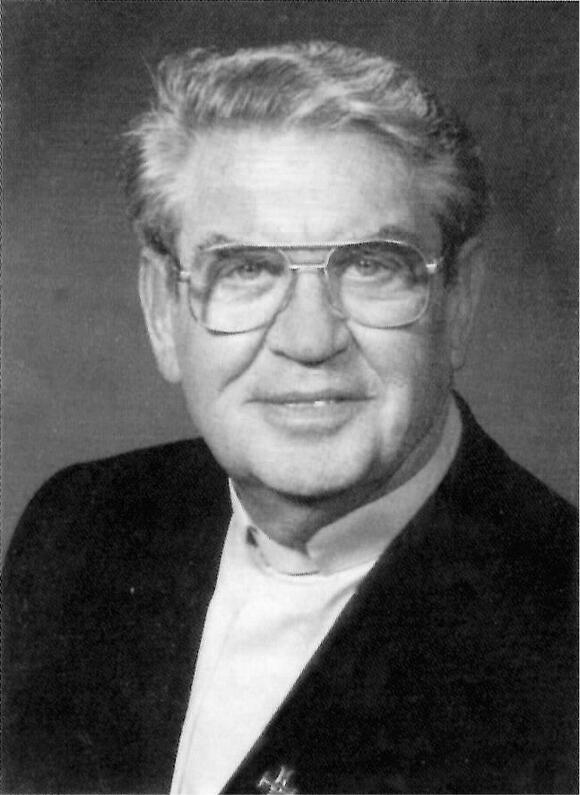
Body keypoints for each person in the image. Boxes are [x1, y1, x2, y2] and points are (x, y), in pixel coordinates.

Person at [2, 41, 577, 795]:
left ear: (459, 302)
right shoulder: (79, 529)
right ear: (163, 310)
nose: (310, 339)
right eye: (246, 269)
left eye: (371, 265)